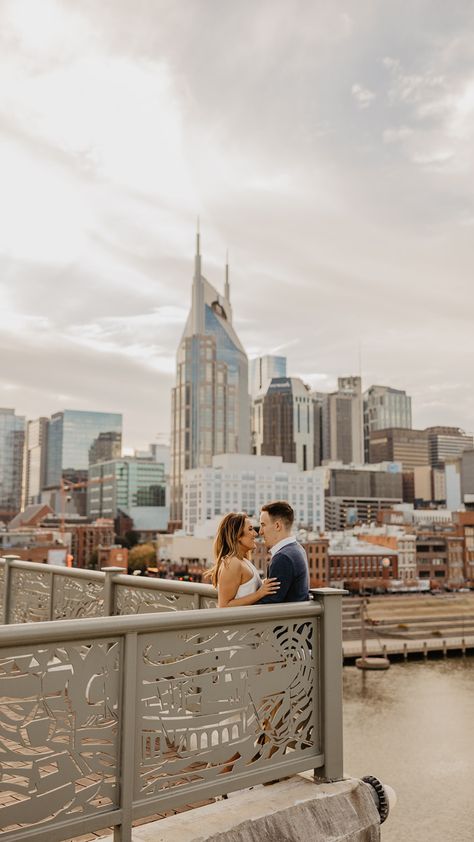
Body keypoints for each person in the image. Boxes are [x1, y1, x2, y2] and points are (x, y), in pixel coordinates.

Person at [208, 512, 280, 607]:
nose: (255, 533)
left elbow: (246, 588)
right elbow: (224, 606)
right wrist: (259, 594)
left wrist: (264, 583)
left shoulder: (243, 560)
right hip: (238, 621)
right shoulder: (232, 563)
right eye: (250, 529)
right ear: (238, 536)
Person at [258, 501, 309, 603]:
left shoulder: (283, 557)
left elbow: (269, 603)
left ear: (277, 526)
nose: (260, 531)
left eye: (263, 525)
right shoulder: (298, 549)